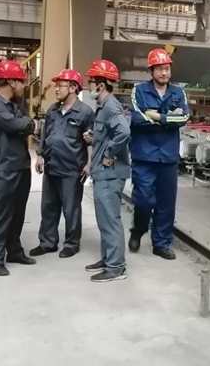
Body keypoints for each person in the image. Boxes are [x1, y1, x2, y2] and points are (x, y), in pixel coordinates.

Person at [128, 48, 189, 260]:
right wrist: (169, 118)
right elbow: (137, 119)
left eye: (167, 68)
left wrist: (157, 116)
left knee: (166, 202)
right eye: (160, 69)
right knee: (143, 199)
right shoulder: (138, 91)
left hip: (168, 156)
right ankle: (138, 229)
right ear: (151, 71)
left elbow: (183, 119)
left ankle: (161, 244)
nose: (164, 73)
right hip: (144, 155)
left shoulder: (179, 93)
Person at [31, 69, 95, 259]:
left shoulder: (85, 112)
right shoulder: (53, 110)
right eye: (56, 85)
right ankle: (47, 242)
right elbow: (45, 134)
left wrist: (89, 163)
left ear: (73, 88)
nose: (56, 89)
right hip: (52, 166)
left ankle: (71, 244)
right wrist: (40, 155)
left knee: (71, 209)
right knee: (48, 207)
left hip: (72, 169)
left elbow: (91, 140)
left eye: (60, 85)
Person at [0, 60, 37, 276]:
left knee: (17, 213)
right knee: (0, 214)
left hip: (21, 165)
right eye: (22, 82)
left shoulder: (16, 105)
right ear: (12, 82)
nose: (24, 86)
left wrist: (24, 124)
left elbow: (28, 124)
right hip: (2, 168)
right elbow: (14, 125)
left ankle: (14, 251)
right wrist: (23, 124)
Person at [83, 60, 131, 282]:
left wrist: (109, 153)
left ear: (101, 85)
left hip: (111, 173)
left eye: (91, 81)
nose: (89, 85)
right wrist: (95, 136)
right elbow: (109, 133)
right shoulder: (102, 106)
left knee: (110, 220)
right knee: (104, 219)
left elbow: (123, 132)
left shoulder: (111, 106)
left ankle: (116, 267)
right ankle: (108, 258)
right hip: (103, 173)